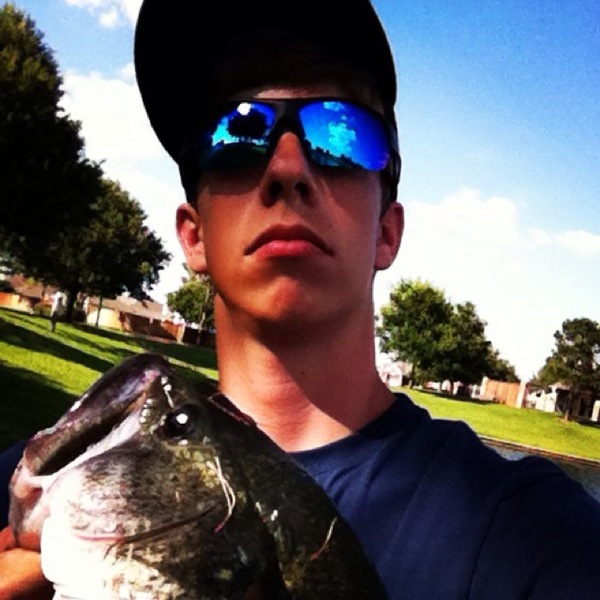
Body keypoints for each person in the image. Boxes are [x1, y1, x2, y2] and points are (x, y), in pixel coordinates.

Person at [1, 1, 600, 597]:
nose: (287, 167)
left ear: (387, 232)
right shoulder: (46, 475)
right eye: (236, 132)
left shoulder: (535, 538)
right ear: (194, 234)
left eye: (341, 133)